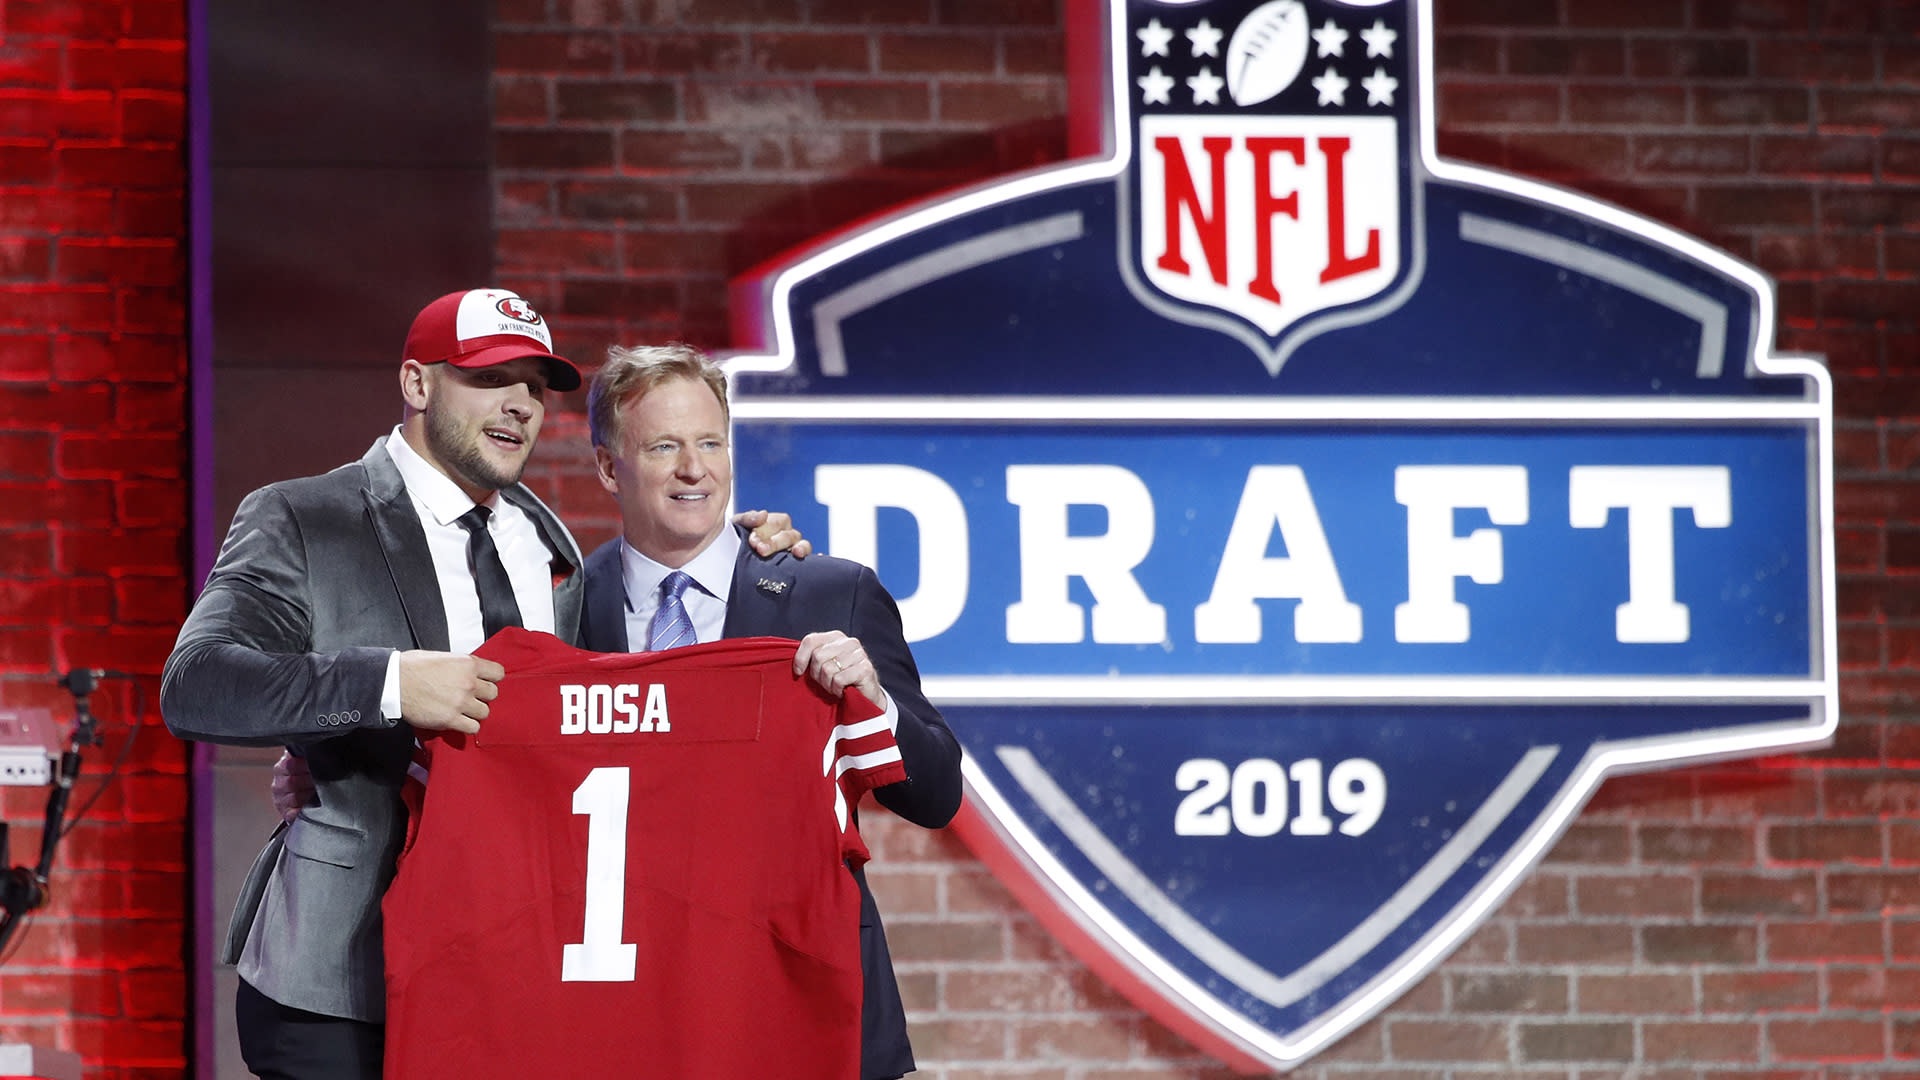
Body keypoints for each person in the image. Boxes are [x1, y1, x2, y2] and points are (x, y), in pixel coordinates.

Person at [162, 288, 807, 1080]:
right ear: (417, 384)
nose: (520, 406)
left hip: (503, 974)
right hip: (340, 980)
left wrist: (737, 549)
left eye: (535, 386)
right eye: (490, 378)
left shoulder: (551, 544)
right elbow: (196, 684)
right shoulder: (304, 516)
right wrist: (389, 685)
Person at [576, 343, 964, 1080]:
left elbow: (937, 791)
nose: (695, 469)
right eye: (664, 447)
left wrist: (872, 697)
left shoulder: (831, 592)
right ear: (607, 468)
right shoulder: (559, 605)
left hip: (809, 992)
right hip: (633, 1006)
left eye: (710, 443)